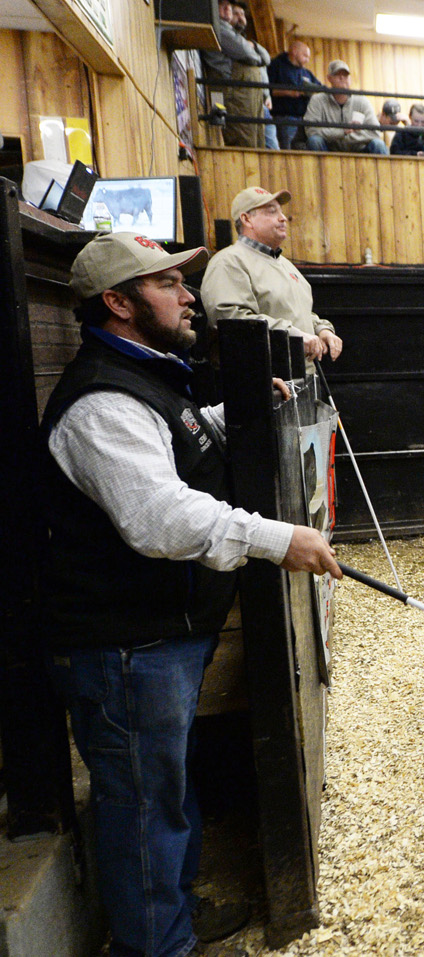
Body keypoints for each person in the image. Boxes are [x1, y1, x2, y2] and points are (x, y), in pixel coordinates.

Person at [43, 231, 342, 957]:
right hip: (126, 643)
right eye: (166, 285)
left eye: (182, 282)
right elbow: (159, 517)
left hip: (161, 630)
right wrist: (281, 540)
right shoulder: (100, 402)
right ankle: (157, 943)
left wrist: (225, 411)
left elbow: (175, 445)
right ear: (117, 302)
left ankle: (170, 914)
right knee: (143, 803)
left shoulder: (150, 376)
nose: (186, 297)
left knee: (165, 790)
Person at [201, 187, 343, 369]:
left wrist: (321, 329)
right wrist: (291, 333)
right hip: (265, 383)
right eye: (271, 211)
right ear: (246, 219)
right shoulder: (229, 262)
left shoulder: (285, 264)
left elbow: (297, 313)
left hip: (303, 378)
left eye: (281, 211)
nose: (283, 218)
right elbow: (231, 319)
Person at [200, 0, 270, 149]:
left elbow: (266, 58)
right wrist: (255, 56)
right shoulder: (218, 27)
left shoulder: (229, 30)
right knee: (243, 139)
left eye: (229, 6)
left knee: (257, 139)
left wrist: (254, 49)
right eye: (222, 5)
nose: (227, 9)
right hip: (234, 93)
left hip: (246, 93)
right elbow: (247, 54)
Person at [302, 60, 387, 154]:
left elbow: (375, 132)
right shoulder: (317, 100)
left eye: (346, 75)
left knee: (378, 144)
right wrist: (342, 131)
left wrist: (347, 137)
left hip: (358, 149)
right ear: (329, 78)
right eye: (337, 74)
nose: (342, 78)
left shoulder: (362, 101)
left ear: (350, 78)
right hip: (329, 149)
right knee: (314, 141)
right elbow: (311, 131)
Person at [266, 38, 318, 150]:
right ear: (294, 51)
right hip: (285, 117)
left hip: (304, 119)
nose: (307, 60)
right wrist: (288, 92)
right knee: (288, 150)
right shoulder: (276, 66)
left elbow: (320, 88)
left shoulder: (306, 72)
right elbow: (266, 90)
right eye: (305, 56)